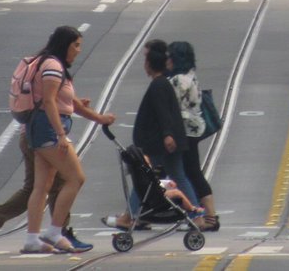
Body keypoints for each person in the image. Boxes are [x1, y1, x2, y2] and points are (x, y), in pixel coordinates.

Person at [21, 26, 115, 254]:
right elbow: (50, 102)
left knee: (42, 185)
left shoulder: (51, 64)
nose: (78, 51)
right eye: (76, 45)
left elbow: (69, 103)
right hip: (49, 130)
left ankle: (32, 239)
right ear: (65, 45)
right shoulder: (53, 66)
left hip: (40, 129)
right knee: (76, 178)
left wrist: (100, 118)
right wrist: (61, 136)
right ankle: (54, 232)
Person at [100, 40, 200, 231]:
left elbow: (164, 113)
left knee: (144, 175)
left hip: (160, 143)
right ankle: (194, 214)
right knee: (174, 175)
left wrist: (167, 135)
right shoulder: (163, 84)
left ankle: (131, 217)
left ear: (149, 64)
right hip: (165, 142)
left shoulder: (159, 85)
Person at [167, 41, 219, 232]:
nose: (167, 60)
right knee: (191, 171)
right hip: (193, 129)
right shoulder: (190, 75)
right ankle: (206, 215)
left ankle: (208, 216)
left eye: (169, 56)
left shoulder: (178, 80)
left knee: (190, 173)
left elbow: (171, 105)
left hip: (184, 131)